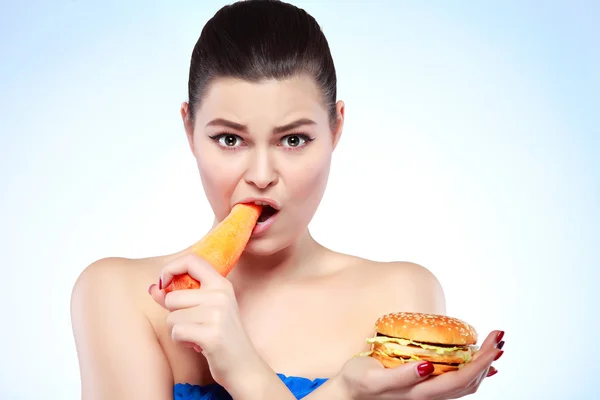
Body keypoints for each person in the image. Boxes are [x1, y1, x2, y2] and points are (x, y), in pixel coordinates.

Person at [70, 1, 505, 399]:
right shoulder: (123, 296)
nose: (260, 176)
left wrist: (244, 369)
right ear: (189, 130)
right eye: (229, 139)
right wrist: (342, 393)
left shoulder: (399, 298)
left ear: (335, 130)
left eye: (293, 139)